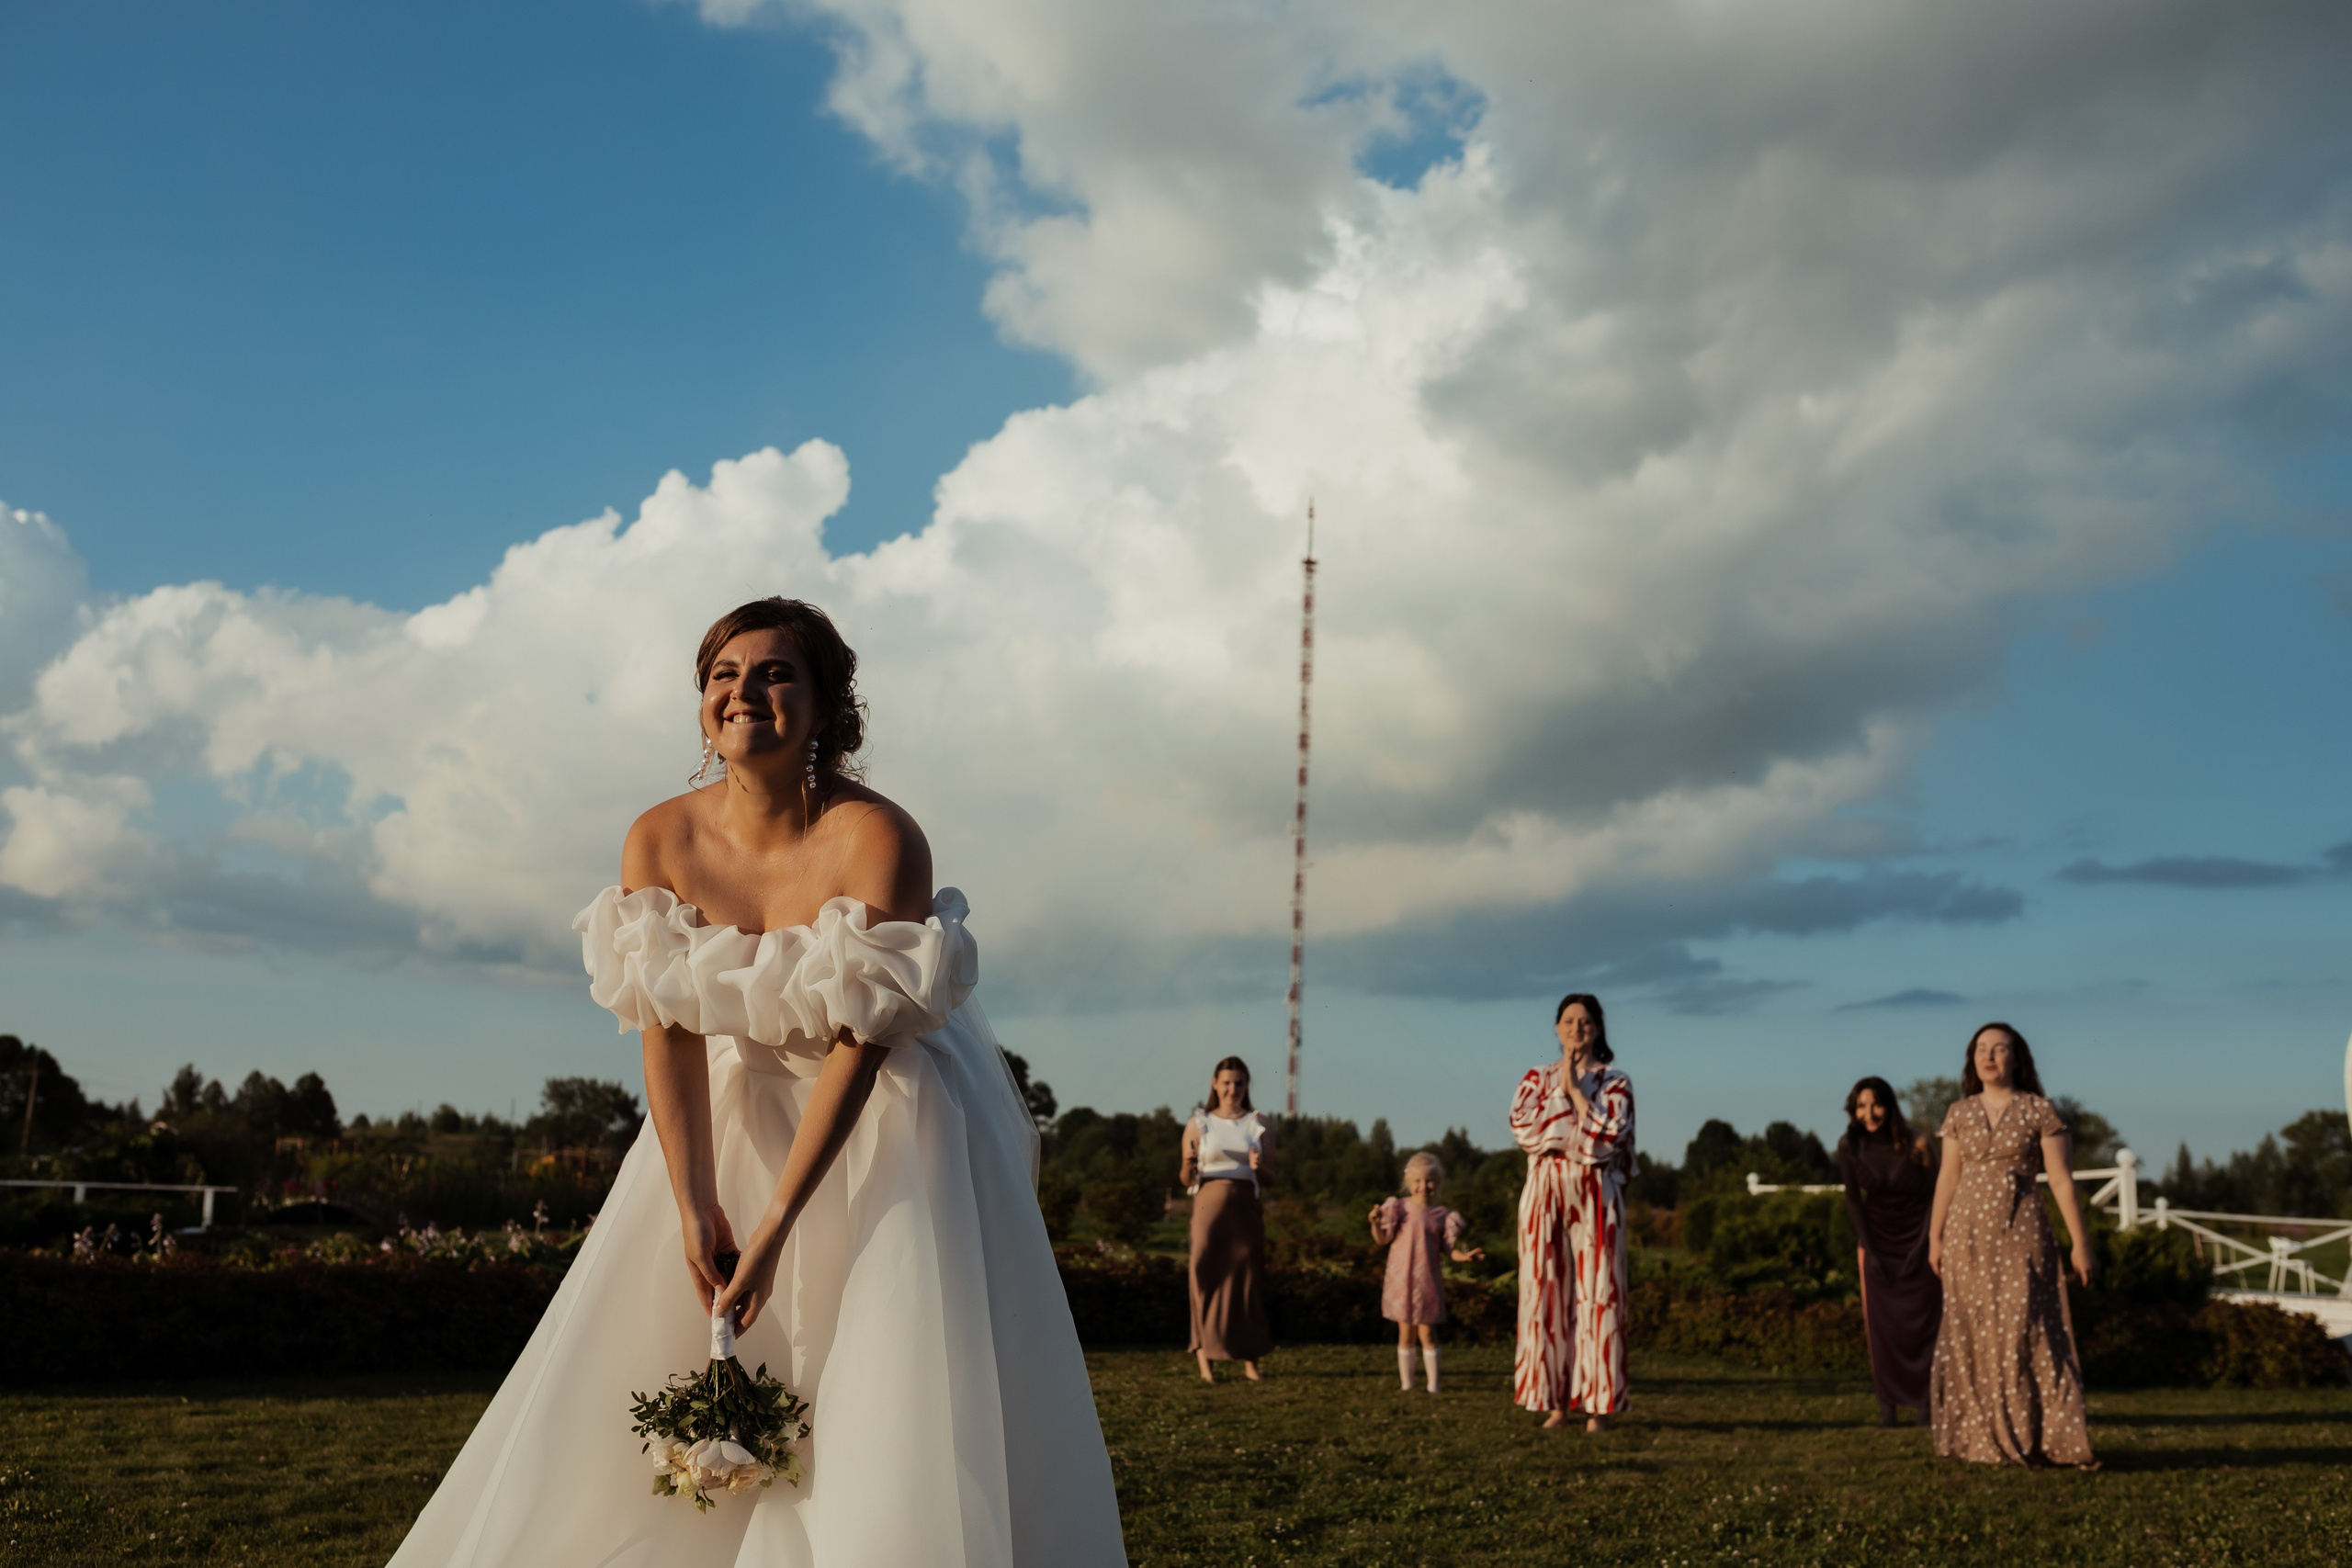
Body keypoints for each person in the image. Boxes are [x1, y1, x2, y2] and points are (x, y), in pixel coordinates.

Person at [388, 597, 1128, 1565]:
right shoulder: (658, 839)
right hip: (715, 1128)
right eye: (724, 675)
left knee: (876, 1388)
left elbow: (862, 1046)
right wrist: (696, 1201)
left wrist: (776, 1224)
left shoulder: (879, 838)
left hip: (883, 1133)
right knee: (658, 1366)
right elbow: (667, 1027)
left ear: (826, 707)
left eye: (776, 673)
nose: (744, 692)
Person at [1927, 1021, 2098, 1469]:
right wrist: (1935, 1235)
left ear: (2017, 1058)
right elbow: (1948, 1176)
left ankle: (2037, 1435)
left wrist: (2080, 1243)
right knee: (1972, 1326)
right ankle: (1978, 1436)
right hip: (1966, 1235)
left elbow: (2061, 1180)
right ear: (1973, 1059)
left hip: (2021, 1229)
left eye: (2000, 1049)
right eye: (1982, 1049)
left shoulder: (2040, 1110)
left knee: (2026, 1327)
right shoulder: (1959, 1113)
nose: (1990, 1057)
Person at [1509, 993, 1635, 1432]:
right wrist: (1571, 1120)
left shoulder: (1616, 1083)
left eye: (1585, 1021)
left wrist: (1578, 1100)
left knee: (1599, 1296)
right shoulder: (1534, 1077)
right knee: (1544, 1293)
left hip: (1596, 1194)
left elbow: (1610, 1139)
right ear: (1557, 1028)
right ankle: (1554, 1403)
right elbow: (1525, 1130)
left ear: (1598, 1029)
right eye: (1568, 1021)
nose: (1576, 1028)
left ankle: (1598, 1407)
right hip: (1544, 1190)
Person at [1838, 1076, 1939, 1427]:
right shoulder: (1849, 1147)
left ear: (1891, 1106)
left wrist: (1925, 1244)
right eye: (1861, 1106)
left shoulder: (1919, 1143)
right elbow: (1853, 1201)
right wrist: (1869, 1248)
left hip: (1920, 1239)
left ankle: (1926, 1402)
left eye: (1876, 1104)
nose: (1870, 1113)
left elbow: (1936, 1198)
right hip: (1875, 1241)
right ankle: (1888, 1406)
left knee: (1924, 1323)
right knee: (1881, 1327)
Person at [1178, 1056, 1275, 1382]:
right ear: (1215, 1083)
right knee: (1204, 1273)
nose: (1233, 1089)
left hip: (1245, 1206)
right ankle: (1206, 1357)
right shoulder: (1199, 1122)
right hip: (1208, 1206)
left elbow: (1272, 1176)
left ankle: (1250, 1359)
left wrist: (1259, 1165)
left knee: (1246, 1279)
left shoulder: (1259, 1122)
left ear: (1247, 1086)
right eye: (1227, 1082)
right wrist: (1189, 1164)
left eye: (1240, 1083)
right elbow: (1185, 1177)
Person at [1368, 1152, 1486, 1393]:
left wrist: (1464, 1256)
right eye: (1418, 1181)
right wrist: (1374, 1222)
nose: (1424, 1186)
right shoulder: (1398, 1209)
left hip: (1427, 1282)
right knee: (1405, 1334)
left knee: (1428, 1333)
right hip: (1402, 1280)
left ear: (1438, 1183)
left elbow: (1448, 1249)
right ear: (1409, 1184)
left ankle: (1434, 1386)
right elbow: (1382, 1239)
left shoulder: (1442, 1215)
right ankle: (1407, 1385)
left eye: (1430, 1180)